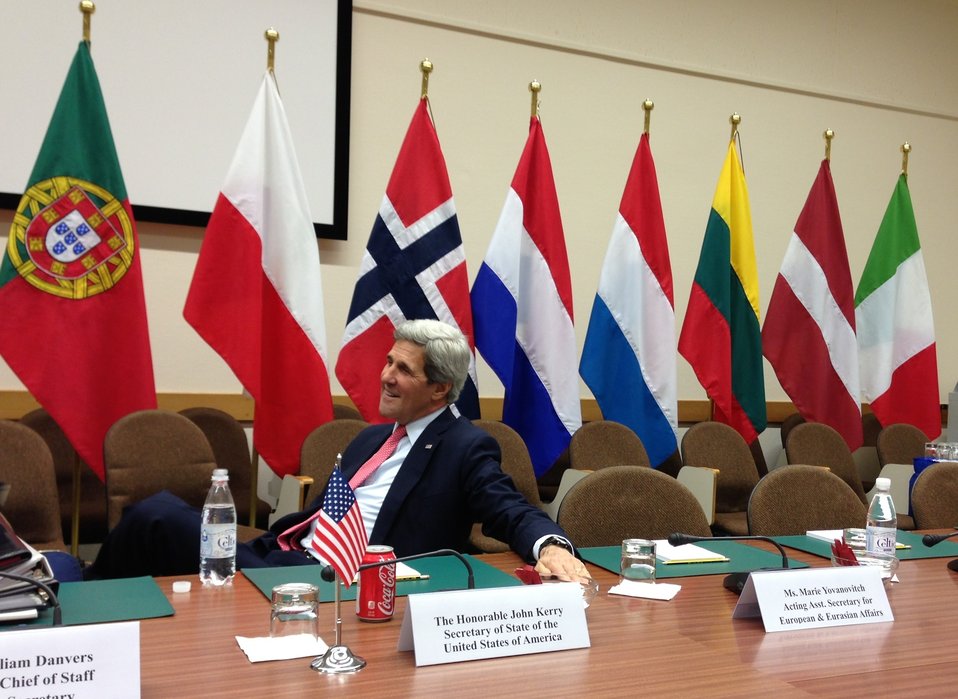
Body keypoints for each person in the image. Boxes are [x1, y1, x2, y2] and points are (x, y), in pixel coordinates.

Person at [86, 319, 590, 584]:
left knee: (155, 518)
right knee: (160, 515)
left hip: (339, 577)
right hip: (285, 553)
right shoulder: (372, 437)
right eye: (388, 361)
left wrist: (550, 545)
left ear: (440, 389)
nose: (386, 376)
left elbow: (509, 507)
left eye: (403, 370)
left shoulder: (465, 446)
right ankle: (89, 599)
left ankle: (81, 600)